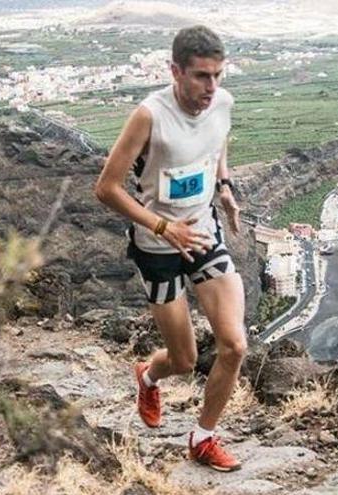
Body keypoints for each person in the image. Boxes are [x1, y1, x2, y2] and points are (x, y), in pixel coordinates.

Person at [94, 25, 246, 472]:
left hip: (202, 231)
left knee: (234, 345)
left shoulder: (222, 102)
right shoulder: (149, 115)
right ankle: (148, 374)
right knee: (184, 359)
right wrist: (163, 226)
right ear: (175, 71)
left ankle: (203, 438)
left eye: (218, 75)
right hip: (156, 246)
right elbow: (106, 188)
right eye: (201, 76)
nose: (211, 87)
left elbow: (217, 141)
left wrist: (223, 185)